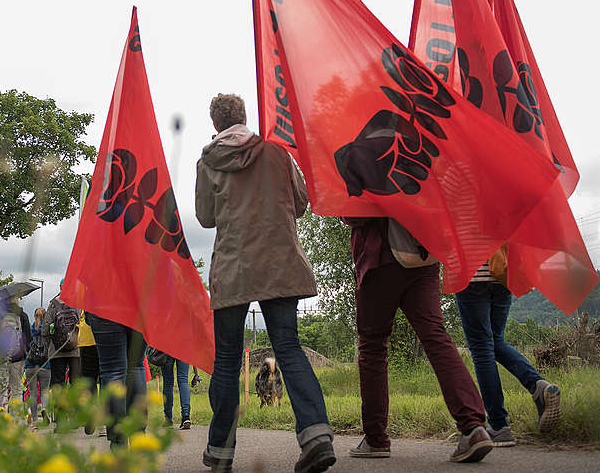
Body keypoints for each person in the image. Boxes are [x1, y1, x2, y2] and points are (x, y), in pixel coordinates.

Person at [195, 93, 335, 473]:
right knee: (288, 347)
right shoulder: (277, 153)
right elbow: (302, 202)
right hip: (280, 262)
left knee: (226, 358)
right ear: (244, 116)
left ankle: (221, 452)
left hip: (233, 266)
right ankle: (316, 435)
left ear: (215, 124)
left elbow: (206, 217)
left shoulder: (208, 162)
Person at [344, 217, 492, 463]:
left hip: (380, 257)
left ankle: (376, 438)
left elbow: (353, 215)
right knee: (436, 336)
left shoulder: (368, 174)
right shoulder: (431, 173)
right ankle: (473, 426)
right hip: (423, 254)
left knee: (372, 347)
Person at [454, 252, 562, 445]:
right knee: (495, 341)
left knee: (482, 348)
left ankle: (498, 425)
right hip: (503, 272)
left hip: (472, 273)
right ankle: (538, 386)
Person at [85, 311, 147, 446]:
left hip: (102, 305)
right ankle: (139, 440)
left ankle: (118, 444)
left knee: (113, 371)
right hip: (138, 303)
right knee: (136, 366)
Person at [0, 294, 32, 414]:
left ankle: (1, 418)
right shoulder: (22, 315)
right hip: (18, 357)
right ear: (16, 300)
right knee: (17, 389)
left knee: (1, 390)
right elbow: (29, 338)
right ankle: (16, 419)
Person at [44, 282, 81, 390]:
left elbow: (45, 328)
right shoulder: (77, 302)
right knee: (76, 382)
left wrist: (50, 342)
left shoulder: (53, 303)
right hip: (75, 349)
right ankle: (75, 406)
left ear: (60, 287)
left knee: (57, 382)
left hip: (57, 350)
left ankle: (58, 406)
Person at [77, 310, 104, 435]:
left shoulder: (84, 293)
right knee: (105, 380)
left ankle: (91, 413)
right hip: (103, 337)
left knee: (89, 382)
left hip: (86, 339)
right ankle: (103, 423)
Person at [25, 307, 52, 428]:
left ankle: (34, 420)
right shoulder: (47, 330)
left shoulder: (30, 329)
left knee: (33, 393)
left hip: (30, 365)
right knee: (44, 391)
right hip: (45, 365)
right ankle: (44, 408)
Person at [161, 353, 191, 429]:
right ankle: (186, 416)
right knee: (183, 380)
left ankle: (168, 419)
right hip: (184, 346)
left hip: (167, 347)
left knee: (167, 382)